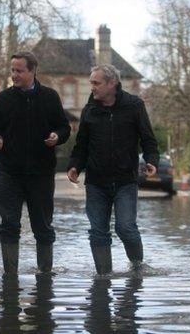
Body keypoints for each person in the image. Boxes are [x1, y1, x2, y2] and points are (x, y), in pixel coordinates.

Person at [0, 51, 71, 275]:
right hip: (9, 173)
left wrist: (56, 136)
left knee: (42, 226)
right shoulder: (3, 99)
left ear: (32, 71)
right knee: (9, 224)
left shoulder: (50, 97)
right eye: (12, 70)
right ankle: (10, 275)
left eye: (19, 71)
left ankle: (45, 273)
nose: (14, 75)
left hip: (41, 174)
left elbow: (64, 127)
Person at [67, 64, 159, 275]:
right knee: (98, 231)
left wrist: (151, 160)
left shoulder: (134, 106)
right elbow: (81, 145)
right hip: (96, 182)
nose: (92, 87)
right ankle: (103, 276)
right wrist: (74, 166)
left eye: (96, 83)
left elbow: (148, 139)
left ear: (112, 84)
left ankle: (137, 268)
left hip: (125, 180)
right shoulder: (89, 110)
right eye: (91, 83)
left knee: (125, 228)